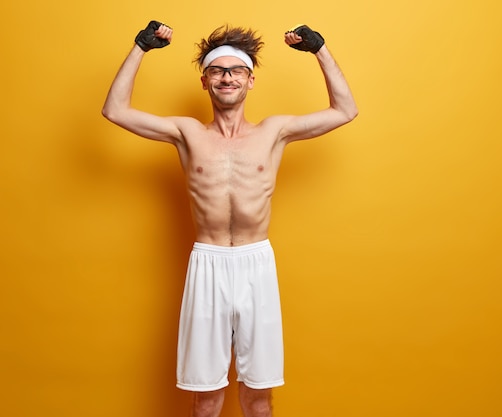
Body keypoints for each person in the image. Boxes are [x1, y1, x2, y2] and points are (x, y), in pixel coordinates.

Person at [102, 20, 357, 417]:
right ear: (205, 81)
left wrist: (318, 49)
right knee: (206, 398)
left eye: (236, 70)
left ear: (250, 81)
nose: (227, 78)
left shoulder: (274, 132)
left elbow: (345, 110)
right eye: (217, 71)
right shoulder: (187, 133)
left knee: (258, 397)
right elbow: (115, 110)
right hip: (208, 263)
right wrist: (140, 46)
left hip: (257, 263)